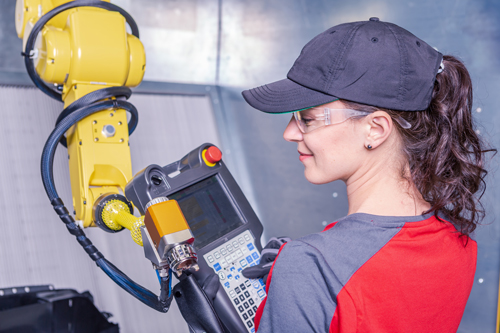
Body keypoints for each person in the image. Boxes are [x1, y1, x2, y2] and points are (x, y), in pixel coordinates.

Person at [240, 17, 493, 332]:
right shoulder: (459, 245)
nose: (290, 133)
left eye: (307, 118)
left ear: (375, 129)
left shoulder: (311, 267)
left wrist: (300, 280)